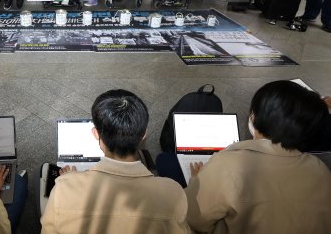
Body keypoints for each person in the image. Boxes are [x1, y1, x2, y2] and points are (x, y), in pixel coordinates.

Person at [185, 81, 331, 234]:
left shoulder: (228, 164)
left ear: (253, 117)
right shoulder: (320, 169)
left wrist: (197, 181)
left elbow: (193, 219)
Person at [41, 89, 191, 234]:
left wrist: (71, 179)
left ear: (95, 134)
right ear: (144, 134)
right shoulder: (173, 193)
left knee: (41, 174)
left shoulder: (64, 188)